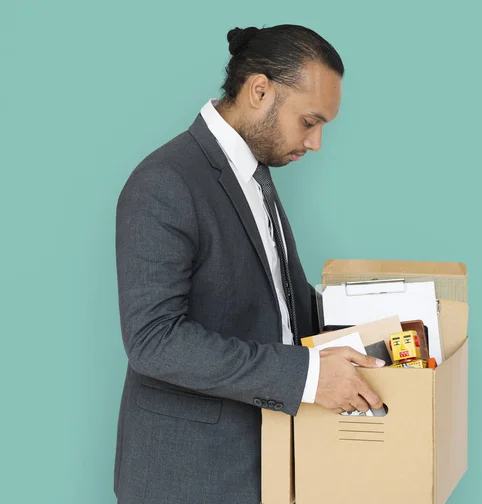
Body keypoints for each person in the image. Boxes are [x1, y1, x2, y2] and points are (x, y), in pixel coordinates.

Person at [113, 24, 385, 504]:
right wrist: (308, 376)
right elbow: (154, 341)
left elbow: (281, 301)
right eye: (309, 121)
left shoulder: (254, 171)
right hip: (190, 478)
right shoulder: (166, 181)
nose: (317, 142)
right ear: (260, 91)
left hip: (267, 459)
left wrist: (391, 322)